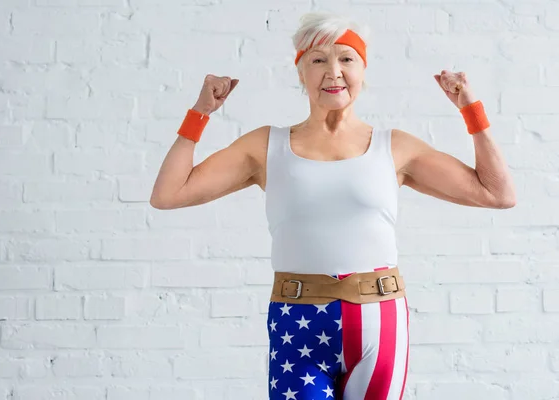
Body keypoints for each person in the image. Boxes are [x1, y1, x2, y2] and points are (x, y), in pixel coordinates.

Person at [150, 11, 517, 400]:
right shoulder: (265, 147)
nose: (333, 72)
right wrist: (199, 114)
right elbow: (169, 194)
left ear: (362, 68)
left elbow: (497, 193)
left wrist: (470, 109)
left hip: (379, 319)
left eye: (346, 58)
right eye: (318, 60)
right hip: (298, 320)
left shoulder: (394, 147)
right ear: (301, 73)